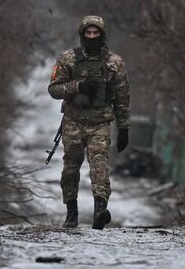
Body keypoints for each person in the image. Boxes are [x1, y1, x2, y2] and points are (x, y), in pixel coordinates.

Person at [48, 15, 130, 229]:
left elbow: (122, 97)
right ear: (82, 34)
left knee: (100, 165)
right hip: (73, 121)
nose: (92, 36)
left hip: (100, 122)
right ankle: (71, 212)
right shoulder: (68, 59)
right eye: (88, 33)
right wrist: (78, 87)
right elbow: (54, 89)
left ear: (102, 35)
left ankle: (100, 211)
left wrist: (124, 128)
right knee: (71, 168)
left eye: (96, 33)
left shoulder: (115, 62)